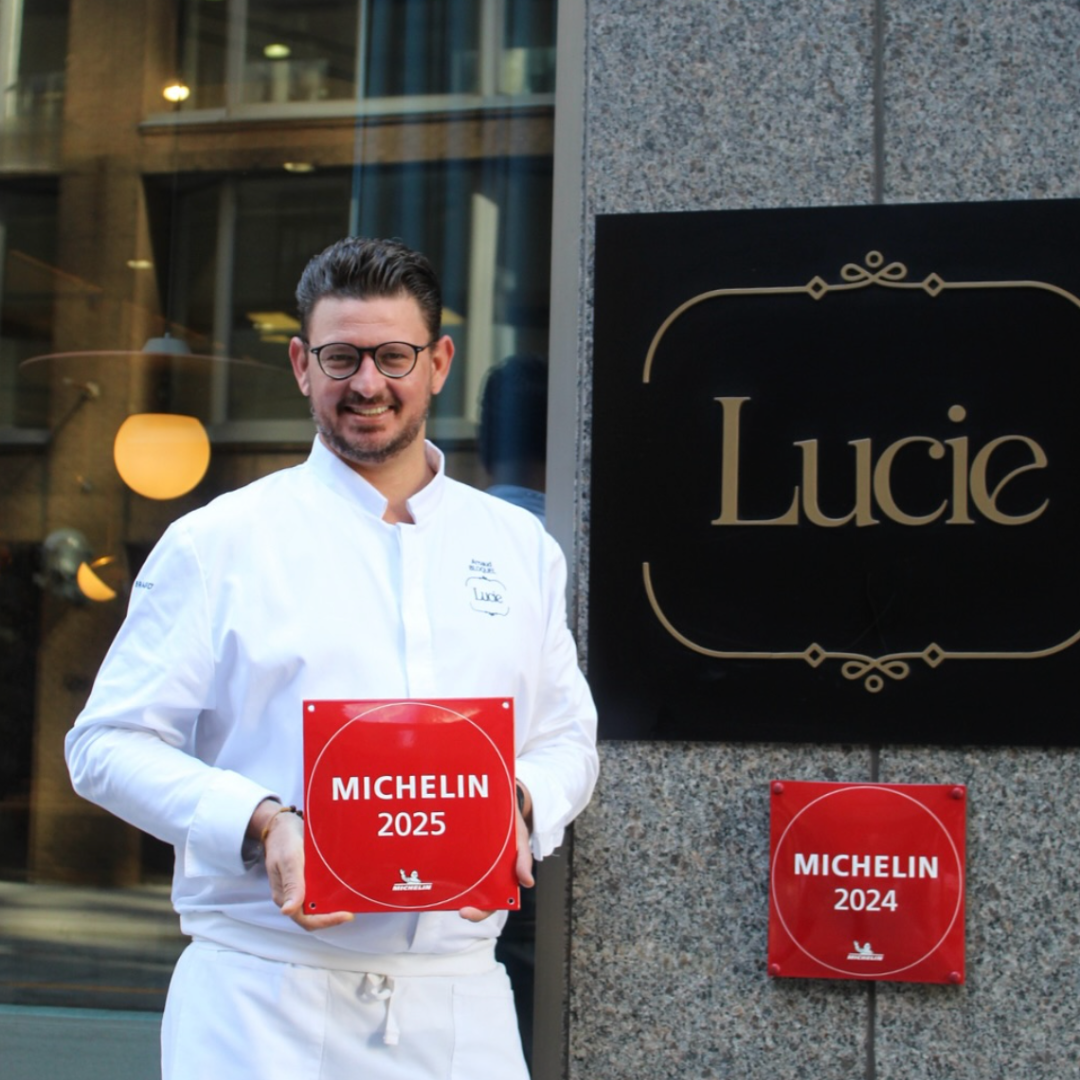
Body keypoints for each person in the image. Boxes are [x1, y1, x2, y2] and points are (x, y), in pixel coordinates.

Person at [64, 237, 599, 1080]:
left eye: (393, 355)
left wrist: (520, 804)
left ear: (439, 362)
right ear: (301, 365)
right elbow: (103, 747)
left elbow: (568, 737)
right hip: (259, 1000)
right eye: (341, 357)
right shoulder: (218, 543)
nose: (367, 384)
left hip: (460, 1003)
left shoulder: (519, 549)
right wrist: (262, 820)